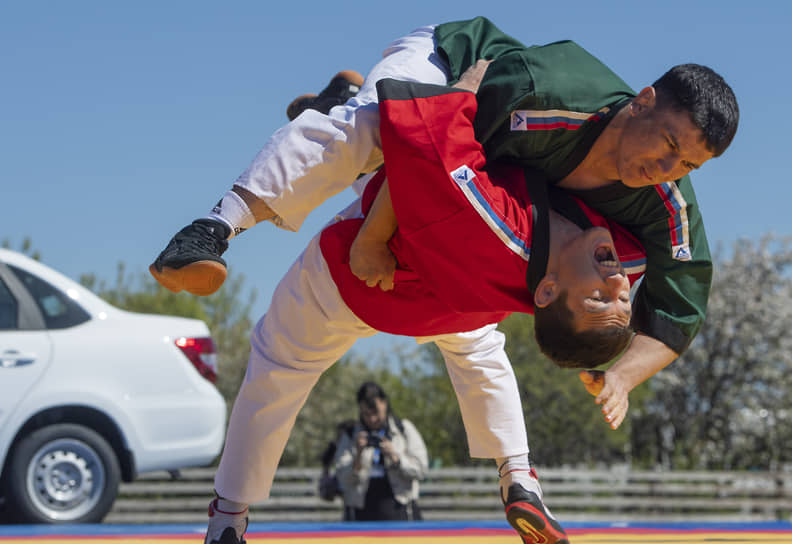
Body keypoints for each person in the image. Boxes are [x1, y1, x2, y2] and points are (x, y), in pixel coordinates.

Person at [150, 16, 739, 433]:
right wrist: (371, 238)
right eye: (666, 144)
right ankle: (212, 229)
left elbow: (681, 309)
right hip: (448, 67)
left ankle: (335, 96)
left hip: (455, 150)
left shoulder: (666, 201)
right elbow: (425, 152)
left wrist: (622, 378)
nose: (665, 169)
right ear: (641, 100)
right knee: (367, 131)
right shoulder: (547, 92)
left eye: (687, 163)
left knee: (377, 149)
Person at [203, 77, 649, 544]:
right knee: (482, 353)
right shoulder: (616, 255)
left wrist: (466, 87)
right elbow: (672, 261)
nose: (619, 282)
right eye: (622, 295)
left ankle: (229, 514)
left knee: (279, 367)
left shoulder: (497, 214)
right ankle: (518, 472)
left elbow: (418, 146)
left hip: (364, 276)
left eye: (603, 296)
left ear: (549, 291)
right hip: (460, 305)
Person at [330, 382, 428, 521]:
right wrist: (357, 456)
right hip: (360, 512)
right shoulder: (351, 435)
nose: (372, 419)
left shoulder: (403, 429)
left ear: (385, 403)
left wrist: (396, 458)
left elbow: (422, 469)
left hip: (400, 510)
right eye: (366, 414)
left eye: (376, 412)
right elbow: (342, 477)